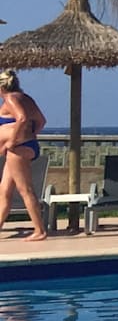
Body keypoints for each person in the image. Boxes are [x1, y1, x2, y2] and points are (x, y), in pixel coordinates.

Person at [0, 70, 50, 241]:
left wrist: (12, 141)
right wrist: (30, 136)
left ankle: (39, 230)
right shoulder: (25, 98)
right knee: (4, 189)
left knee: (25, 189)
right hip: (26, 146)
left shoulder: (10, 98)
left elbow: (21, 118)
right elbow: (41, 120)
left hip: (18, 149)